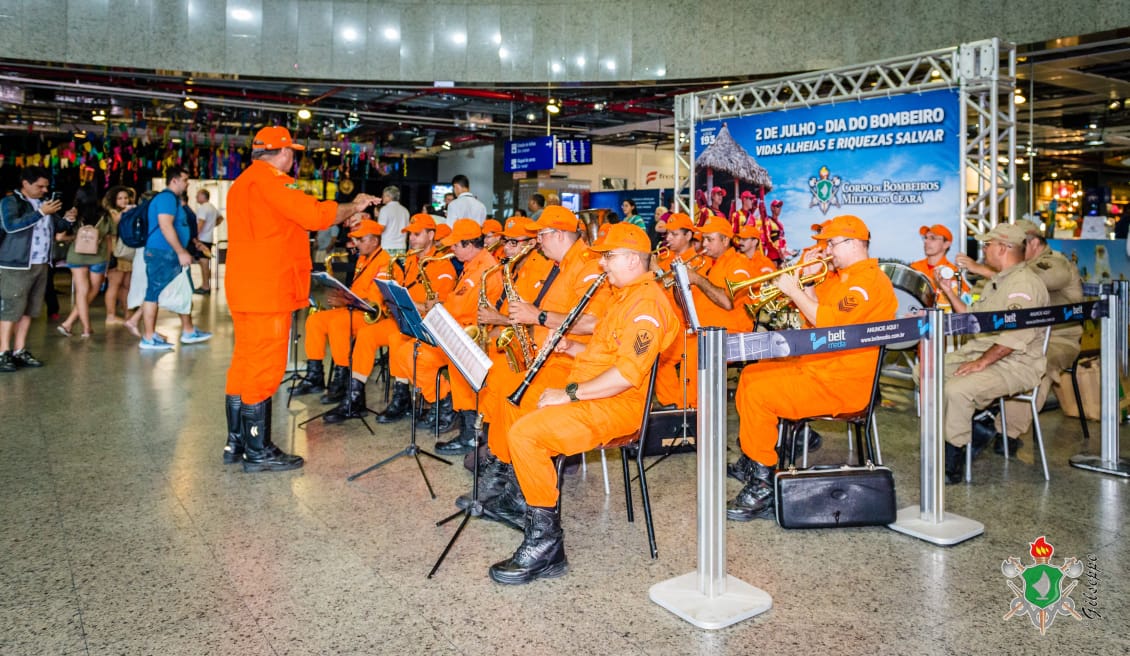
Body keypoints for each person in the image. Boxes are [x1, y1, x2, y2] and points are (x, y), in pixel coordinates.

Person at [486, 222, 679, 584]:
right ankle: (522, 498)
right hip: (593, 391)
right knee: (518, 406)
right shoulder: (625, 295)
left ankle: (545, 544)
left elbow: (625, 375)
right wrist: (569, 347)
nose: (602, 264)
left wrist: (569, 394)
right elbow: (602, 353)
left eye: (608, 257)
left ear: (634, 260)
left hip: (617, 406)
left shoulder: (647, 306)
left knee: (527, 435)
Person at [224, 126, 378, 472]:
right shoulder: (272, 181)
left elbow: (289, 222)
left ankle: (236, 441)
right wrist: (352, 205)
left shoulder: (242, 184)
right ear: (283, 153)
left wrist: (343, 212)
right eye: (291, 152)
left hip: (245, 288)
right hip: (268, 291)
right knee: (264, 368)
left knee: (244, 363)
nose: (292, 158)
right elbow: (314, 215)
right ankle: (258, 450)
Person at [728, 215, 897, 520]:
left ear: (854, 243)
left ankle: (764, 485)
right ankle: (757, 460)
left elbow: (828, 323)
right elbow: (817, 319)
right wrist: (806, 283)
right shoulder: (843, 279)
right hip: (818, 369)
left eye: (832, 243)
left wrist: (794, 290)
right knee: (752, 374)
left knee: (758, 394)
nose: (827, 249)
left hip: (842, 383)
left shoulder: (868, 284)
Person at [936, 223, 1049, 483]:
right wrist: (948, 291)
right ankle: (961, 427)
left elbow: (1015, 336)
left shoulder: (1024, 284)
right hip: (989, 352)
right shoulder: (999, 281)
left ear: (1004, 248)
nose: (984, 250)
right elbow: (972, 317)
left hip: (1017, 362)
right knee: (928, 373)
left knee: (957, 389)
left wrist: (981, 362)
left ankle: (953, 461)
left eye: (988, 245)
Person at [956, 219, 1082, 454]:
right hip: (1022, 335)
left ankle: (1007, 432)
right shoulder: (1012, 271)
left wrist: (981, 270)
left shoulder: (1055, 263)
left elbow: (1028, 280)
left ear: (1032, 242)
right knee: (987, 358)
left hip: (1059, 338)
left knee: (1038, 365)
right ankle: (981, 414)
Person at [387, 219, 502, 455]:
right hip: (454, 330)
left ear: (469, 244)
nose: (451, 249)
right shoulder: (472, 263)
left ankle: (468, 431)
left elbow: (460, 307)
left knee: (415, 355)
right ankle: (444, 404)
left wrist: (437, 308)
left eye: (455, 245)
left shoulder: (483, 269)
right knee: (406, 353)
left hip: (468, 336)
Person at [365, 213, 457, 425]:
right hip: (411, 321)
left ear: (431, 234)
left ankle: (443, 399)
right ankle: (402, 396)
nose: (412, 239)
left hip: (431, 326)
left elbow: (439, 306)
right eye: (410, 235)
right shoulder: (411, 259)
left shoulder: (442, 264)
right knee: (396, 340)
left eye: (417, 234)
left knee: (404, 346)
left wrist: (413, 304)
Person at [291, 217, 390, 410]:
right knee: (315, 320)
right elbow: (357, 291)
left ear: (374, 241)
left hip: (370, 316)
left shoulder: (384, 262)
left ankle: (342, 379)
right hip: (352, 309)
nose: (356, 244)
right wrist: (340, 292)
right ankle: (315, 376)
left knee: (338, 324)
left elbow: (373, 303)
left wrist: (345, 299)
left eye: (361, 240)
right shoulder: (363, 258)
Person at [0, 167, 77, 371]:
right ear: (25, 183)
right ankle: (3, 352)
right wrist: (41, 212)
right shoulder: (10, 202)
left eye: (46, 186)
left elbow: (57, 226)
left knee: (30, 309)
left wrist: (68, 219)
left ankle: (20, 350)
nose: (44, 190)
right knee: (11, 308)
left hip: (42, 263)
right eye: (39, 186)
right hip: (16, 264)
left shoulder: (45, 203)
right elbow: (11, 226)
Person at [137, 167, 212, 350]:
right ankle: (148, 337)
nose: (187, 184)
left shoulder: (173, 200)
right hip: (163, 252)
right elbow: (165, 225)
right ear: (175, 180)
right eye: (185, 180)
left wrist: (191, 244)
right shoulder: (166, 198)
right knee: (153, 293)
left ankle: (188, 330)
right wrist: (180, 251)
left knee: (183, 290)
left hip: (168, 252)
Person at [56, 191, 113, 338]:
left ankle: (82, 327)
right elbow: (109, 240)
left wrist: (76, 237)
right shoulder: (106, 216)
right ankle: (71, 324)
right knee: (93, 290)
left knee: (81, 292)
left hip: (76, 257)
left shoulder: (74, 216)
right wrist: (107, 261)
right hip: (98, 258)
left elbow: (60, 237)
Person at [910, 224, 967, 308]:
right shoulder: (915, 267)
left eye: (933, 238)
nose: (926, 241)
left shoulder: (952, 272)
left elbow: (965, 304)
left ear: (946, 244)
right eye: (925, 238)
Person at [102, 186, 136, 324]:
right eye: (120, 198)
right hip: (116, 251)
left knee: (127, 285)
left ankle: (128, 312)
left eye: (126, 198)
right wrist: (126, 213)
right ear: (114, 200)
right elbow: (115, 225)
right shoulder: (112, 212)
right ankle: (111, 315)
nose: (123, 201)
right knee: (114, 284)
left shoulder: (129, 211)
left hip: (127, 251)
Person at [193, 188, 222, 294]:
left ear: (203, 196)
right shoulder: (212, 207)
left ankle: (205, 286)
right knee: (204, 262)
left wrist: (195, 237)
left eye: (198, 195)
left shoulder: (203, 208)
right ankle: (206, 284)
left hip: (202, 239)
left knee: (203, 262)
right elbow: (221, 218)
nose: (196, 197)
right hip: (208, 238)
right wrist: (212, 226)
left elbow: (200, 223)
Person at [376, 185, 409, 254]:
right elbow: (407, 230)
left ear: (389, 197)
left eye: (384, 195)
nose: (382, 198)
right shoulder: (405, 210)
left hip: (387, 247)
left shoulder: (385, 209)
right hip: (402, 248)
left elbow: (380, 229)